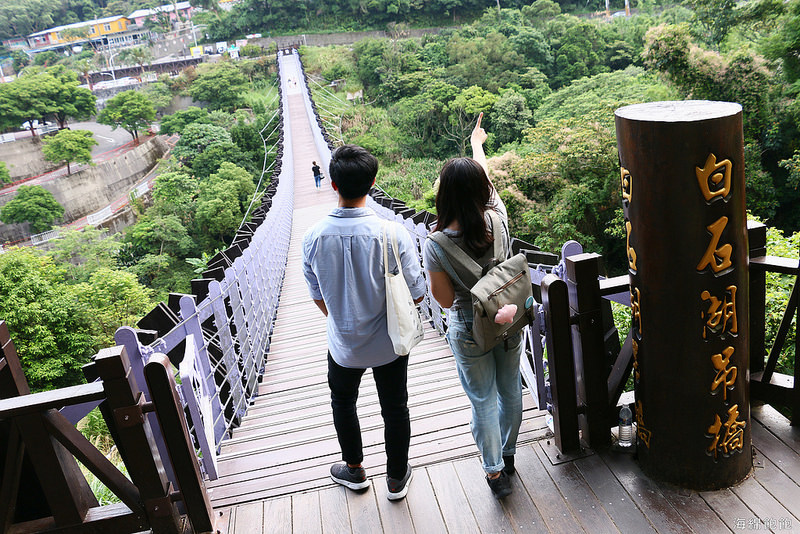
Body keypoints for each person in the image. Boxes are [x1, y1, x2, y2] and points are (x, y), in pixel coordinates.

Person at [302, 145, 426, 501]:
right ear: (373, 183)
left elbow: (317, 295)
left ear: (332, 184)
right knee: (395, 407)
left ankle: (354, 470)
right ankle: (396, 478)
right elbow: (418, 294)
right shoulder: (393, 233)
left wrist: (343, 319)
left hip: (343, 345)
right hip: (390, 343)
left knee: (343, 402)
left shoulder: (312, 238)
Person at [422, 113, 523, 500]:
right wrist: (477, 146)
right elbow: (487, 183)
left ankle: (494, 472)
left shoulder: (436, 245)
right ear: (483, 190)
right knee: (510, 390)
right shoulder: (498, 217)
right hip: (509, 318)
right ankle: (509, 455)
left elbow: (445, 300)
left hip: (469, 328)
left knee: (483, 399)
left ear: (443, 195)